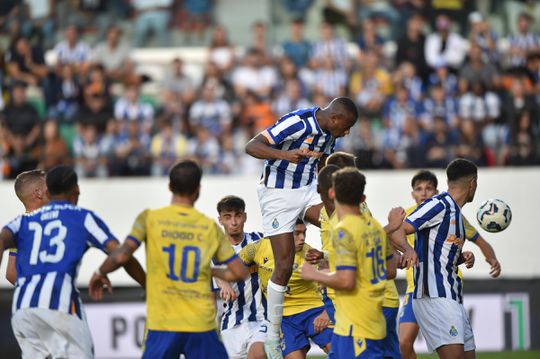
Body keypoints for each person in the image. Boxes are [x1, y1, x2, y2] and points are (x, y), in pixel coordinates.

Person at [88, 160, 249, 358]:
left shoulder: (149, 218)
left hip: (162, 323)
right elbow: (240, 272)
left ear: (170, 187)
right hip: (200, 324)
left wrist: (100, 273)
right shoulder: (209, 227)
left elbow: (121, 255)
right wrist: (208, 271)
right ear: (198, 190)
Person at [245, 97, 358, 358]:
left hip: (307, 190)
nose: (347, 132)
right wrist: (284, 155)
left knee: (340, 223)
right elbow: (252, 146)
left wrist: (325, 189)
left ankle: (339, 305)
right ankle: (273, 335)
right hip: (277, 194)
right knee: (283, 265)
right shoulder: (297, 122)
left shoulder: (331, 133)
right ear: (335, 119)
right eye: (347, 126)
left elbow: (321, 162)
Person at [0, 166, 145, 358]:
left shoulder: (22, 222)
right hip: (59, 305)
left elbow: (5, 254)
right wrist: (145, 283)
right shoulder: (82, 217)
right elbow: (120, 254)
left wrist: (32, 285)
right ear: (76, 189)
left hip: (23, 309)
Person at [399, 170, 501, 359]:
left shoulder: (456, 215)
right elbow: (395, 231)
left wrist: (464, 258)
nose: (423, 193)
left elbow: (449, 248)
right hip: (431, 291)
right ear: (473, 184)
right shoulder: (436, 206)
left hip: (451, 291)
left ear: (437, 188)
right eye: (419, 189)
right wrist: (406, 250)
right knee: (405, 343)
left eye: (428, 188)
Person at [300, 168, 401, 358]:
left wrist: (314, 275)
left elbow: (347, 281)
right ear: (363, 197)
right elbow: (390, 271)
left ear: (331, 192)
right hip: (364, 321)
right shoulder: (375, 227)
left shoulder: (343, 230)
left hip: (356, 327)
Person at [239, 219, 333, 358]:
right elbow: (233, 266)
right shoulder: (257, 248)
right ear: (283, 234)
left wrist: (327, 312)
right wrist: (224, 284)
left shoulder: (309, 255)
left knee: (340, 352)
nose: (302, 238)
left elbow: (334, 282)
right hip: (283, 318)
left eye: (304, 233)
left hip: (313, 312)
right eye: (297, 234)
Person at [215, 195, 267, 359]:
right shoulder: (213, 251)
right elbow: (212, 276)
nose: (234, 222)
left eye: (238, 215)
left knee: (257, 354)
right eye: (228, 217)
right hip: (231, 323)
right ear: (220, 220)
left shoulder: (259, 241)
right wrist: (223, 283)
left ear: (244, 216)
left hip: (262, 318)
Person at [3, 169, 48, 285]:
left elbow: (10, 273)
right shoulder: (49, 222)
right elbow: (11, 273)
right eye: (48, 186)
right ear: (38, 193)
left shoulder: (18, 226)